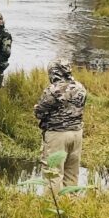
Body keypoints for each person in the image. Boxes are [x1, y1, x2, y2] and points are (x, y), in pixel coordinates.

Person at [34, 59, 87, 193]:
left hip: (57, 135)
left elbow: (39, 112)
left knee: (53, 173)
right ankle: (71, 206)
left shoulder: (53, 89)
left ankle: (53, 208)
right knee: (72, 172)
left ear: (54, 72)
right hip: (77, 134)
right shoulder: (80, 87)